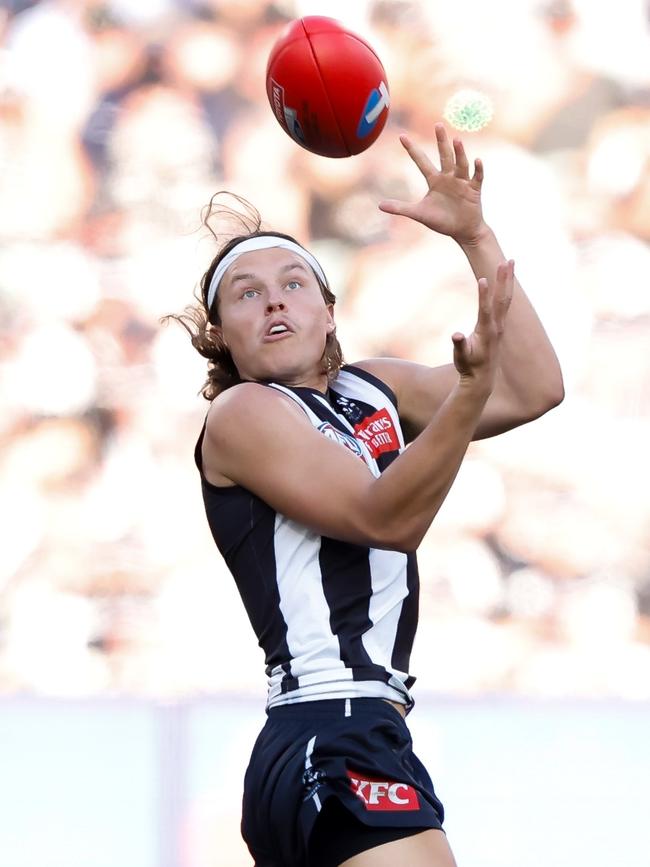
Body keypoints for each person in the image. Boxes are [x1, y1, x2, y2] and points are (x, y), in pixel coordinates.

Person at [172, 123, 564, 867]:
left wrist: (476, 237)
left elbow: (537, 387)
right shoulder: (244, 412)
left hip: (367, 728)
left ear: (328, 311)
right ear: (221, 336)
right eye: (247, 295)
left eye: (293, 283)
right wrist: (470, 390)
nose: (275, 303)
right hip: (326, 723)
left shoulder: (371, 388)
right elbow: (387, 518)